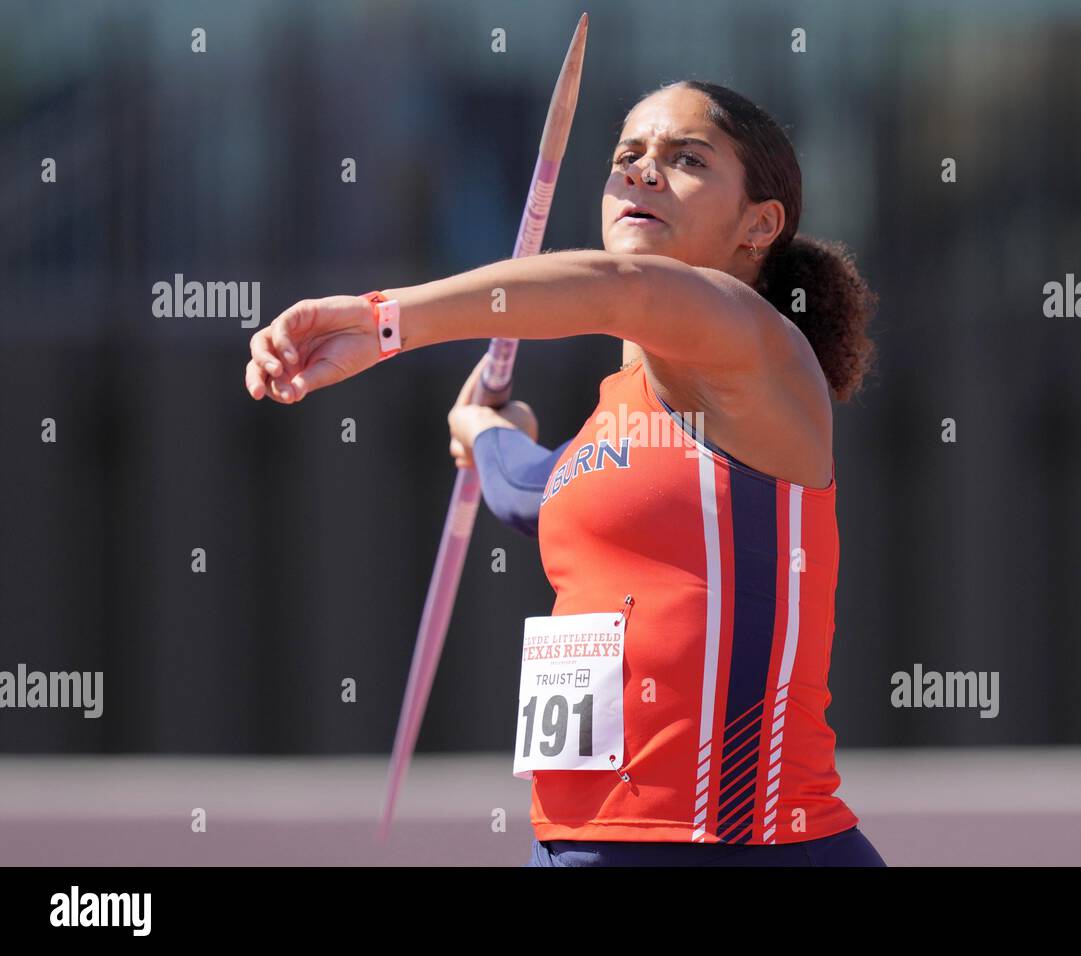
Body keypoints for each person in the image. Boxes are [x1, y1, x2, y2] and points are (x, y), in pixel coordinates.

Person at [246, 80, 882, 866]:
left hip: (740, 845)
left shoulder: (758, 350)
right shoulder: (621, 412)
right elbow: (538, 496)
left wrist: (384, 322)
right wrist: (485, 434)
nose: (642, 172)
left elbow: (622, 292)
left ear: (760, 224)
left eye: (686, 160)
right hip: (580, 842)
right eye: (627, 156)